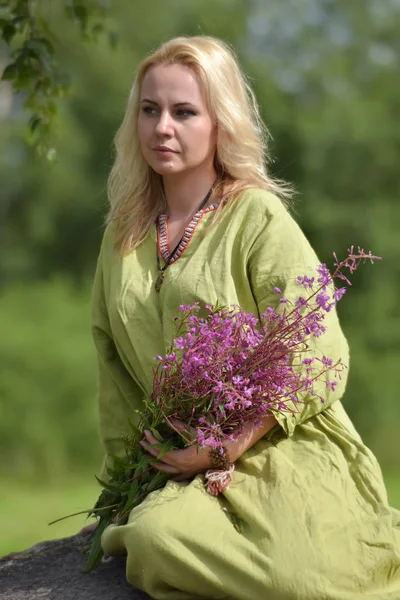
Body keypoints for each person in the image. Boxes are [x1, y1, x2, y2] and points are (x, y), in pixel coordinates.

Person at [88, 35, 400, 599]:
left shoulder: (256, 215)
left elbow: (323, 352)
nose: (163, 128)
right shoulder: (122, 235)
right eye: (150, 110)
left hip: (279, 444)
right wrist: (124, 484)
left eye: (184, 112)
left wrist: (230, 443)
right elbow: (113, 369)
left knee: (300, 578)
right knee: (155, 538)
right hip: (176, 463)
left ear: (219, 123)